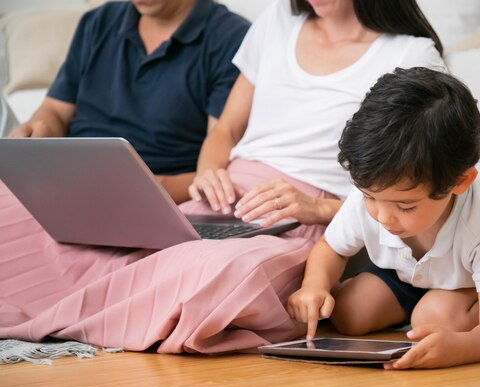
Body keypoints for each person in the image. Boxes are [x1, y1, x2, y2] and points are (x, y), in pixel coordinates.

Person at [0, 0, 445, 356]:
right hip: (228, 193)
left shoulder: (410, 53)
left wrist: (320, 209)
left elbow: (415, 182)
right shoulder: (278, 21)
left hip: (306, 210)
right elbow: (225, 131)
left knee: (219, 273)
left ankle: (71, 313)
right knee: (83, 242)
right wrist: (212, 169)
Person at [287, 67, 480, 369]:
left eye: (405, 206)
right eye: (369, 197)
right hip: (412, 274)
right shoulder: (376, 192)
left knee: (437, 318)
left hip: (474, 282)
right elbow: (332, 247)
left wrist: (461, 348)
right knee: (350, 313)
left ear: (459, 182)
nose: (383, 216)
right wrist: (314, 285)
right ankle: (422, 305)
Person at [8, 0, 250, 203]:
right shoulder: (97, 22)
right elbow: (55, 111)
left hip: (155, 194)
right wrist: (37, 132)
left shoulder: (232, 38)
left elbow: (218, 157)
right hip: (66, 185)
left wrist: (149, 189)